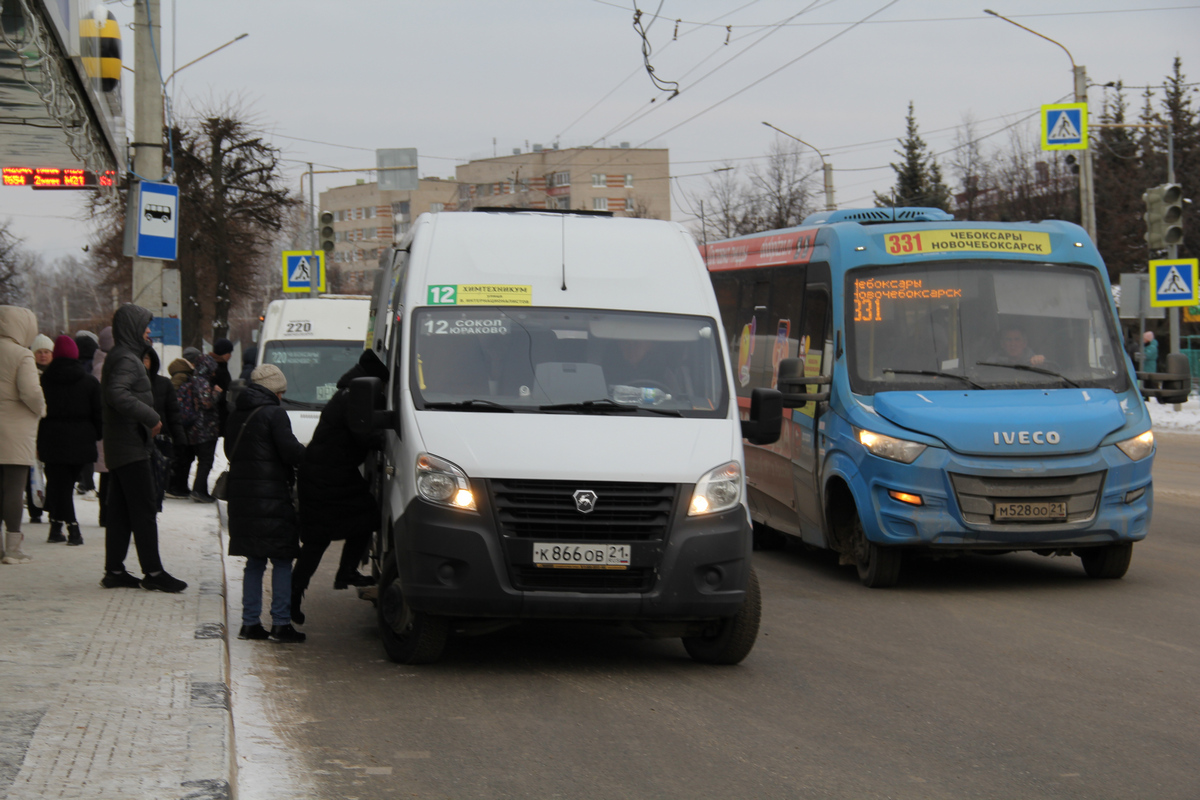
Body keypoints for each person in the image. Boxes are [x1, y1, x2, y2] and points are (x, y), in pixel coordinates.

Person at [291, 350, 388, 624]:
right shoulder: (354, 397)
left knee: (360, 520)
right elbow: (364, 433)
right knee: (320, 540)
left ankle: (338, 576)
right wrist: (386, 436)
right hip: (325, 476)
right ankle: (294, 598)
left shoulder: (351, 392)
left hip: (329, 473)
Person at [99, 303, 186, 592]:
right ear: (132, 328)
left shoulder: (122, 355)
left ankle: (114, 570)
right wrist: (151, 417)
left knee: (121, 512)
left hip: (124, 443)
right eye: (145, 326)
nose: (149, 331)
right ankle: (154, 572)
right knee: (145, 510)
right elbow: (117, 394)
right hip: (131, 445)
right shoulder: (126, 358)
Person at [226, 363, 306, 643]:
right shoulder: (275, 413)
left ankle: (250, 623)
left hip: (242, 499)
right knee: (282, 560)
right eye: (282, 391)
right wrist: (309, 455)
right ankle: (281, 623)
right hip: (272, 498)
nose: (282, 396)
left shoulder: (238, 414)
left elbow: (229, 450)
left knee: (255, 561)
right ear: (274, 389)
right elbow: (289, 451)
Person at [37, 335, 101, 546]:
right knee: (64, 484)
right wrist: (96, 434)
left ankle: (57, 526)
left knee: (58, 483)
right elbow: (98, 414)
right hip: (81, 440)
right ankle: (71, 528)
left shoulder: (44, 380)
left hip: (51, 438)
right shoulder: (89, 381)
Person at [0, 306, 46, 565]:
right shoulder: (22, 355)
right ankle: (13, 548)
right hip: (16, 432)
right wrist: (42, 409)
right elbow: (30, 392)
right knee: (14, 490)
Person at [177, 352, 223, 503]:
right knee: (205, 460)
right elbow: (206, 403)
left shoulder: (192, 380)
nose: (215, 372)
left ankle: (195, 488)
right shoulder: (202, 381)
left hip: (194, 428)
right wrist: (216, 392)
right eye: (212, 368)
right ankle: (199, 490)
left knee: (200, 460)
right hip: (204, 428)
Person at [144, 348, 186, 512]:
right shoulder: (132, 384)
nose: (144, 363)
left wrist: (180, 440)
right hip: (138, 441)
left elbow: (174, 414)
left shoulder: (163, 384)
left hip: (161, 441)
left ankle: (151, 520)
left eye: (146, 359)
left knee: (158, 486)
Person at [165, 351, 197, 498]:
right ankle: (177, 487)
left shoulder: (176, 376)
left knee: (178, 455)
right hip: (183, 423)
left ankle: (174, 485)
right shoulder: (185, 377)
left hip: (176, 422)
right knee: (183, 456)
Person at [74, 331, 100, 496]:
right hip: (90, 413)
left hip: (76, 412)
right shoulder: (95, 365)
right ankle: (87, 483)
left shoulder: (74, 366)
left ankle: (81, 479)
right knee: (89, 449)